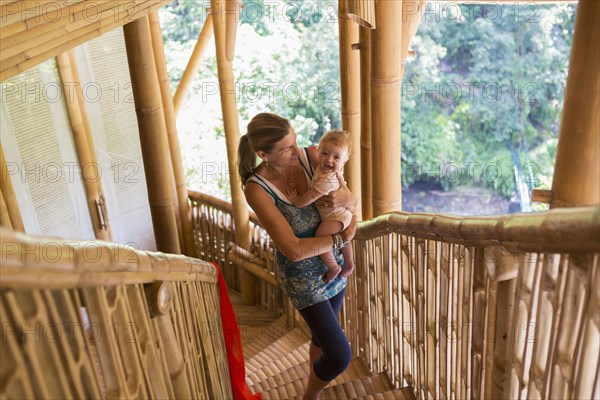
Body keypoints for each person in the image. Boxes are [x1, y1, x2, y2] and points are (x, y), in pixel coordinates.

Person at [238, 113, 357, 400]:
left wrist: (351, 202)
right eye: (287, 148)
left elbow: (348, 201)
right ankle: (311, 394)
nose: (298, 151)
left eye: (295, 142)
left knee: (320, 338)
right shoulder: (256, 189)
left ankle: (311, 390)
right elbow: (292, 249)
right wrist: (342, 237)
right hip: (303, 276)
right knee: (340, 355)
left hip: (334, 265)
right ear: (263, 154)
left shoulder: (313, 156)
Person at [285, 130, 354, 283]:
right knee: (345, 237)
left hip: (336, 216)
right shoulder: (328, 169)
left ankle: (333, 266)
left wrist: (295, 200)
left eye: (336, 157)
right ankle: (349, 263)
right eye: (324, 153)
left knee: (320, 235)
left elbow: (309, 197)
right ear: (318, 150)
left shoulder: (327, 180)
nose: (329, 159)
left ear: (345, 161)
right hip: (342, 214)